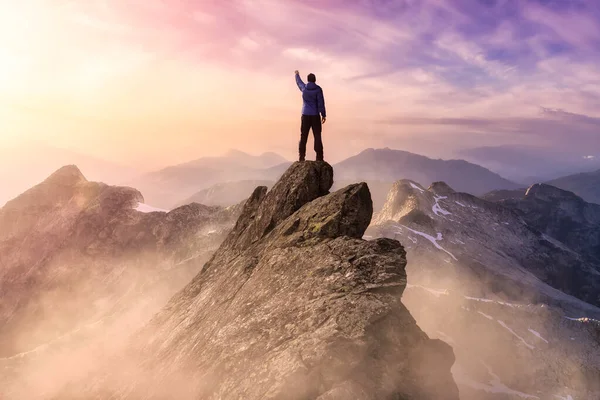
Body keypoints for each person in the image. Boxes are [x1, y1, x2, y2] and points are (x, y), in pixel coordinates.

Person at [294, 70, 326, 162]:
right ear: (315, 80)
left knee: (303, 136)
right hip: (315, 116)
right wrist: (323, 115)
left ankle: (301, 157)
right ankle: (319, 157)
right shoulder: (318, 89)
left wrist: (297, 74)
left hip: (305, 115)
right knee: (317, 136)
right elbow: (321, 103)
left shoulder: (304, 88)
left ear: (308, 80)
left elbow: (299, 82)